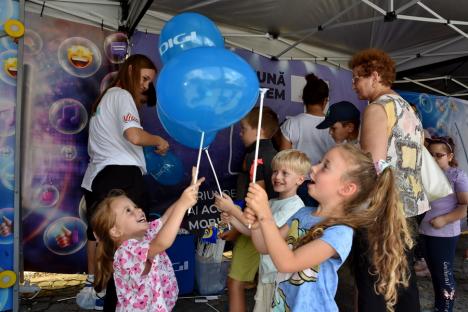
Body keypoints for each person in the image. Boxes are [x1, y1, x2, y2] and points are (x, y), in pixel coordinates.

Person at [244, 144, 412, 312]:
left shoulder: (340, 231)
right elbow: (264, 247)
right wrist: (258, 224)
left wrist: (266, 217)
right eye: (319, 162)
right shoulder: (302, 213)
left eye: (325, 166)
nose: (314, 168)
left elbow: (287, 263)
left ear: (347, 188)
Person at [81, 54, 170, 311]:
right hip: (121, 175)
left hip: (98, 176)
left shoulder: (104, 101)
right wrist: (157, 141)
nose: (145, 86)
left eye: (149, 82)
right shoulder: (121, 96)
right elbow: (133, 135)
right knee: (129, 241)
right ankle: (120, 299)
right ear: (130, 70)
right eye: (144, 79)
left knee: (102, 233)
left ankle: (97, 290)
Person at [349, 48, 429, 312]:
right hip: (409, 208)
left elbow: (372, 166)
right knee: (402, 277)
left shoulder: (377, 108)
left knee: (373, 282)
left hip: (380, 210)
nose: (353, 84)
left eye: (356, 78)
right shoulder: (408, 110)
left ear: (374, 76)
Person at [91, 171, 204, 312]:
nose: (138, 211)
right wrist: (182, 205)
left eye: (136, 206)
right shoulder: (125, 251)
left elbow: (166, 219)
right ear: (115, 231)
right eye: (128, 211)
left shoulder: (146, 233)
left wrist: (185, 196)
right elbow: (161, 243)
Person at [215, 149, 310, 312]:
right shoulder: (271, 202)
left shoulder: (295, 206)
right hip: (267, 273)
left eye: (285, 173)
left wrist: (232, 209)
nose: (277, 177)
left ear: (300, 179)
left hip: (280, 277)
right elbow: (253, 231)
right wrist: (232, 218)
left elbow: (268, 234)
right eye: (275, 171)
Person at [217, 106, 279, 312]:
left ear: (259, 129)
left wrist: (234, 218)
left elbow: (256, 201)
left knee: (235, 282)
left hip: (254, 228)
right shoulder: (276, 154)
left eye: (243, 128)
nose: (241, 133)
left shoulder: (255, 156)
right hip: (269, 228)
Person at [419, 136, 468, 312]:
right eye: (430, 155)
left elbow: (465, 206)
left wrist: (445, 219)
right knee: (435, 275)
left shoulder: (457, 175)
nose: (433, 159)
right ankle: (440, 307)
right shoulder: (423, 174)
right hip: (425, 232)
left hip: (444, 235)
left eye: (438, 155)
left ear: (449, 156)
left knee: (445, 277)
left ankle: (446, 308)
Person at [278, 73, 335, 207]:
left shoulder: (291, 124)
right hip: (327, 183)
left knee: (297, 225)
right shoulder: (335, 126)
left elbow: (283, 160)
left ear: (303, 99)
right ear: (325, 100)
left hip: (298, 183)